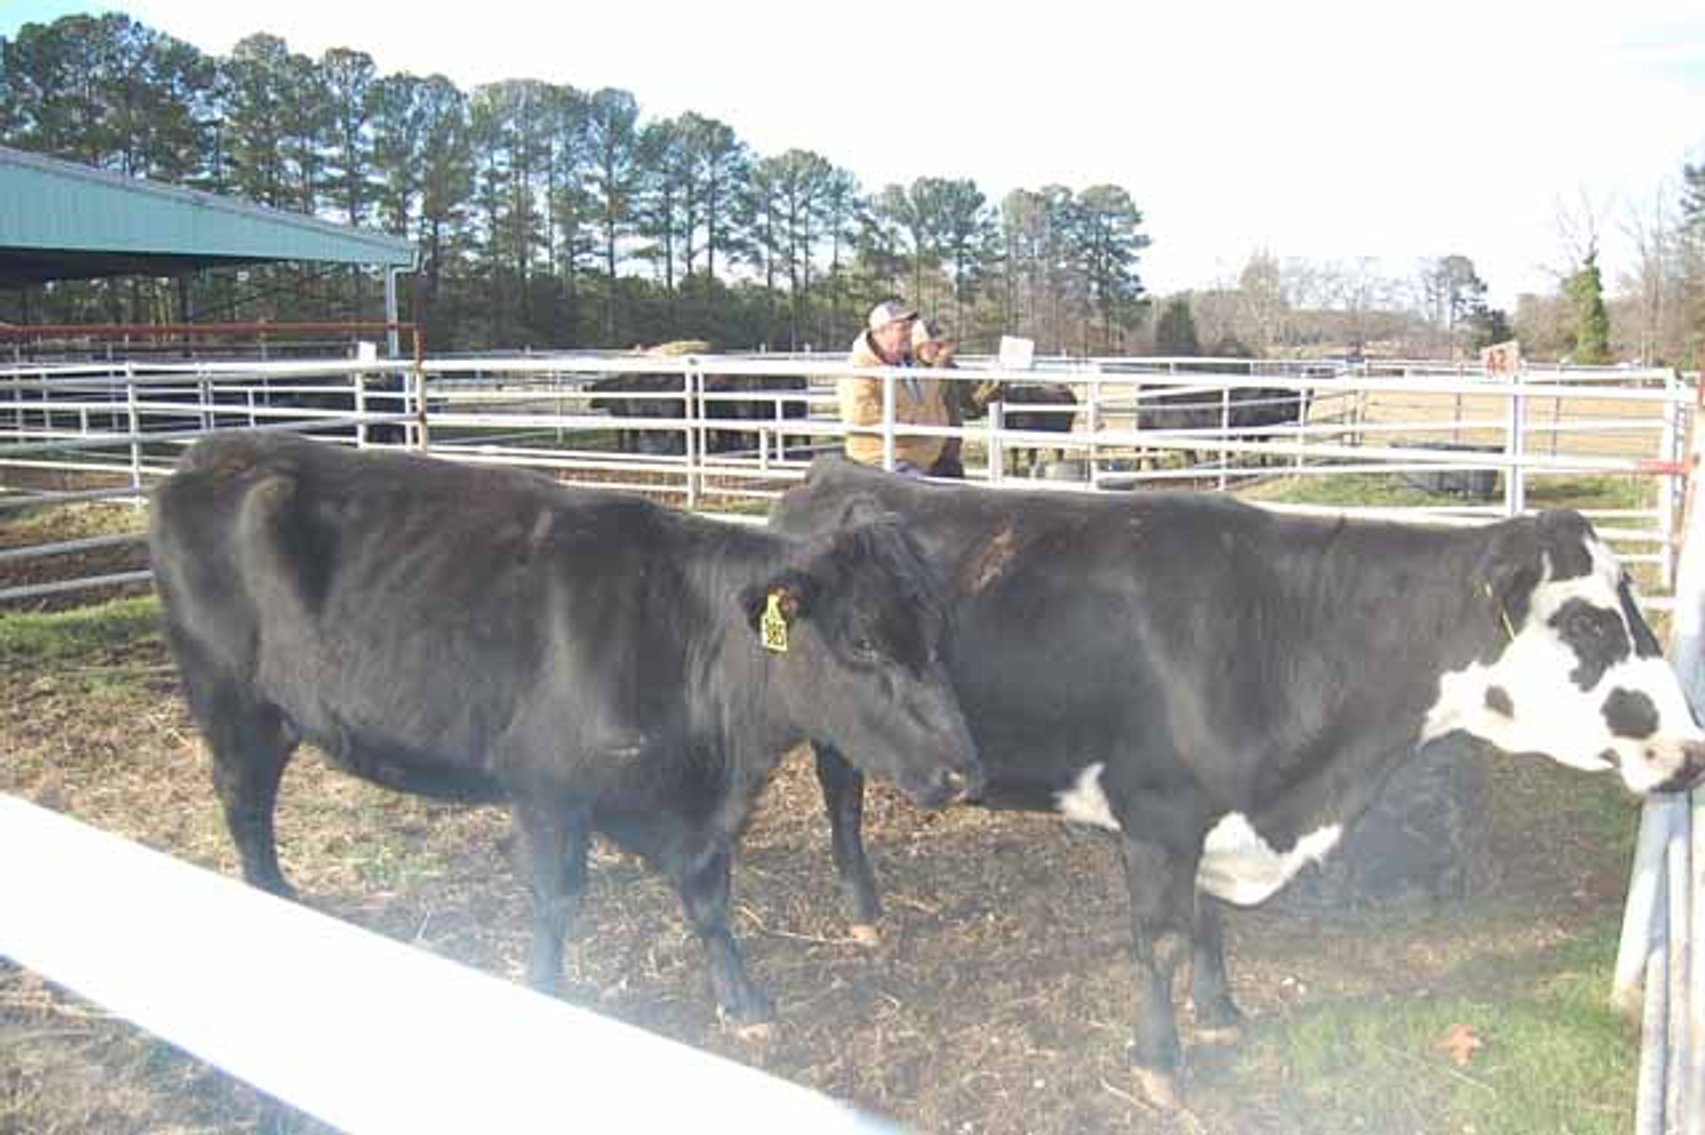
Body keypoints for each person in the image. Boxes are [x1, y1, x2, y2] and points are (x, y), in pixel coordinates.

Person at [839, 300, 951, 475]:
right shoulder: (859, 369)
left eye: (909, 327)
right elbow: (862, 417)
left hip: (921, 457)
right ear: (881, 332)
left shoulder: (909, 364)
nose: (909, 334)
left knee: (955, 477)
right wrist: (922, 424)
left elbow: (932, 401)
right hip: (881, 459)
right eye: (902, 328)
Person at [911, 318, 1002, 479]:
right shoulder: (910, 371)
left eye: (944, 345)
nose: (942, 350)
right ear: (919, 345)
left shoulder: (951, 368)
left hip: (950, 454)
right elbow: (928, 400)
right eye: (937, 345)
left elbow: (972, 405)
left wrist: (995, 385)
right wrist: (941, 365)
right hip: (924, 456)